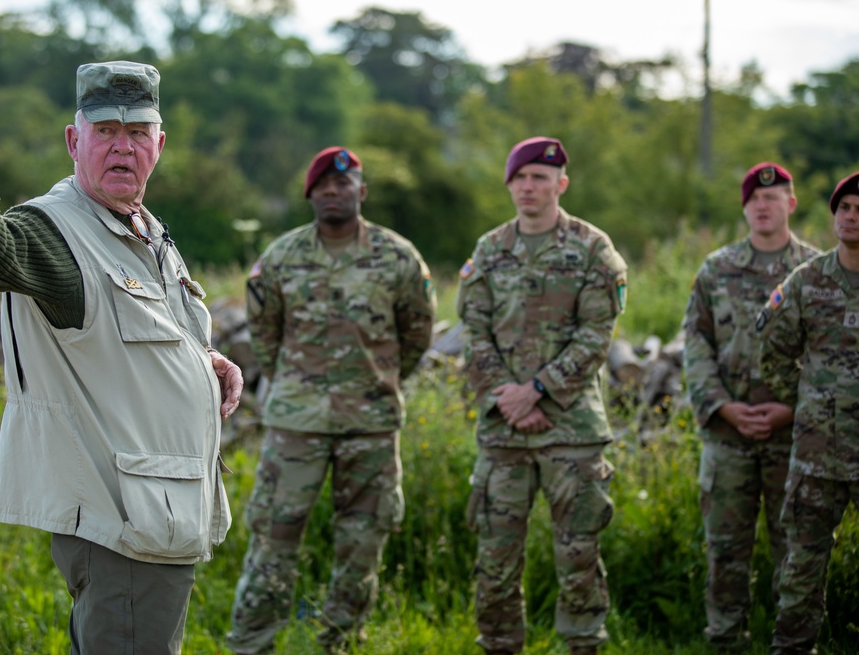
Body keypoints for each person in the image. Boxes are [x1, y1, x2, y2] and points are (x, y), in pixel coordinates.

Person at [0, 60, 243, 655]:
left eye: (138, 132)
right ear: (75, 140)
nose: (123, 146)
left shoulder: (142, 227)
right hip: (124, 523)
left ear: (159, 144)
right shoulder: (54, 230)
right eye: (106, 131)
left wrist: (205, 361)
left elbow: (133, 333)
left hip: (155, 514)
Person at [226, 146, 436, 654]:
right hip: (296, 427)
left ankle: (338, 644)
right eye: (324, 186)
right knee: (273, 543)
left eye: (344, 185)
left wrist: (378, 383)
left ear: (361, 192)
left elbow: (418, 332)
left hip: (371, 426)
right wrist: (295, 387)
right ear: (310, 194)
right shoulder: (281, 258)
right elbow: (265, 334)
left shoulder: (398, 257)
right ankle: (253, 645)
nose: (333, 192)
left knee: (363, 545)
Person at [457, 137, 627, 655]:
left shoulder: (593, 248)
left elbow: (598, 332)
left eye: (539, 177)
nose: (529, 187)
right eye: (520, 178)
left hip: (571, 431)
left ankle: (582, 647)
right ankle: (500, 646)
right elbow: (472, 330)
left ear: (561, 184)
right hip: (503, 429)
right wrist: (508, 397)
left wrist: (539, 393)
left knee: (578, 557)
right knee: (496, 559)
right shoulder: (489, 249)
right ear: (509, 184)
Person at [682, 162, 820, 651]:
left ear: (791, 203)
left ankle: (793, 644)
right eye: (754, 199)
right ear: (744, 207)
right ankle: (725, 642)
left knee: (798, 553)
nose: (763, 205)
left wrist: (792, 407)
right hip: (728, 436)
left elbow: (832, 354)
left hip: (796, 437)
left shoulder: (816, 272)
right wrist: (721, 406)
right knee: (725, 554)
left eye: (774, 196)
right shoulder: (716, 269)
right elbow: (695, 343)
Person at [757, 171, 859, 655]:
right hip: (817, 454)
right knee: (801, 567)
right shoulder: (808, 281)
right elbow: (773, 352)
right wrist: (809, 400)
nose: (852, 217)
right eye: (845, 209)